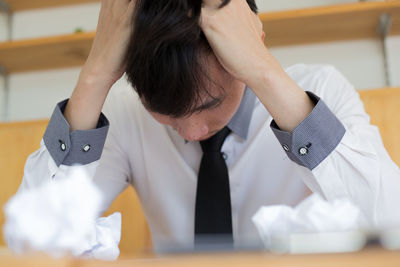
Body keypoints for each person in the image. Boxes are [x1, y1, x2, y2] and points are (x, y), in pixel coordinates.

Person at [18, 0, 400, 252]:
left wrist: (265, 72)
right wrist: (95, 76)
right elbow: (36, 239)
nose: (191, 131)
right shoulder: (123, 112)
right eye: (165, 113)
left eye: (210, 105)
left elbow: (391, 223)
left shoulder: (321, 91)